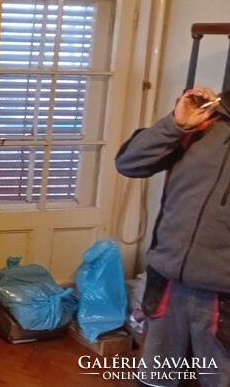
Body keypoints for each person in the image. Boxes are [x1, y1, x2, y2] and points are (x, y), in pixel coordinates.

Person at [115, 86, 230, 387]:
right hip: (167, 281)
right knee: (157, 381)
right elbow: (128, 163)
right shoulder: (205, 120)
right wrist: (176, 125)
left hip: (223, 296)